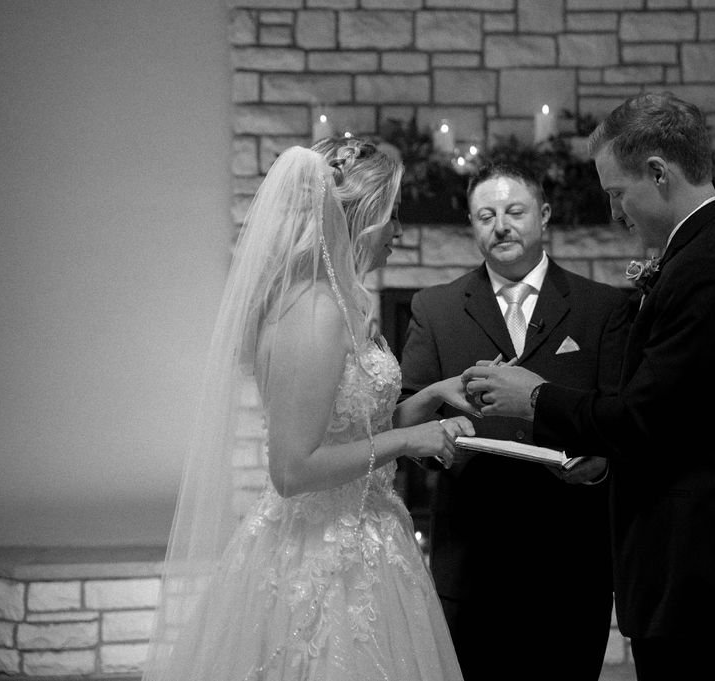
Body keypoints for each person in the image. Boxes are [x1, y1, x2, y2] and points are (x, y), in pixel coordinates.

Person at [462, 93, 715, 680]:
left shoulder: (710, 267)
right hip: (697, 572)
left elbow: (645, 417)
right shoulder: (710, 253)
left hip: (697, 574)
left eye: (617, 192)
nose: (616, 212)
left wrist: (532, 397)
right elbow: (681, 414)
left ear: (659, 173)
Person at [143, 139, 476, 681]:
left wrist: (431, 396)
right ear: (361, 217)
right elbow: (293, 470)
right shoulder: (315, 310)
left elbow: (351, 428)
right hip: (321, 560)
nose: (399, 232)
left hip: (366, 537)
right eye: (393, 215)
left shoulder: (337, 302)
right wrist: (409, 441)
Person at [398, 163, 630, 681]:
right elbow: (405, 413)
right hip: (470, 557)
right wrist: (432, 442)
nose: (500, 225)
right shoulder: (435, 309)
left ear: (543, 216)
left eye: (514, 211)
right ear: (472, 226)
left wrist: (600, 464)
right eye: (486, 215)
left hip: (571, 562)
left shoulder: (604, 308)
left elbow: (620, 420)